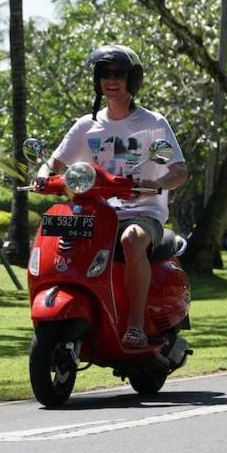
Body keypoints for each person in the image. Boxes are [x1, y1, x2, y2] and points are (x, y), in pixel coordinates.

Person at [35, 45, 188, 348]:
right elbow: (54, 164)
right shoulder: (86, 126)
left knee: (131, 238)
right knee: (56, 236)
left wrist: (157, 183)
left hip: (143, 213)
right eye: (104, 74)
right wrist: (42, 174)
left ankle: (134, 328)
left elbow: (179, 171)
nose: (111, 80)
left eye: (119, 73)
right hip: (96, 213)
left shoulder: (151, 124)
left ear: (133, 79)